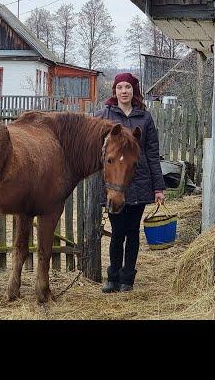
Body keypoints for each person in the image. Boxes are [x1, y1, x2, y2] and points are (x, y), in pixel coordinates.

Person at [94, 72, 165, 293]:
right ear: (114, 91)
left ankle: (128, 280)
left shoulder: (144, 117)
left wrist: (158, 187)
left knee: (132, 232)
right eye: (120, 87)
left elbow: (152, 154)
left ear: (134, 90)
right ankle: (113, 277)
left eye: (128, 87)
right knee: (117, 232)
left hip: (139, 181)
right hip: (114, 184)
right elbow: (94, 147)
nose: (124, 91)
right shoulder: (104, 115)